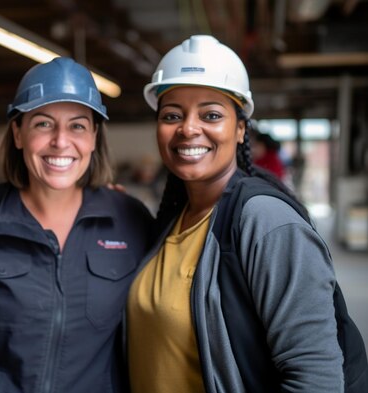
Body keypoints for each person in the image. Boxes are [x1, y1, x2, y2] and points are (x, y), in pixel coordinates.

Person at [127, 35, 345, 392]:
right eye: (171, 115)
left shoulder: (266, 222)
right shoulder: (173, 216)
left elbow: (316, 376)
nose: (188, 128)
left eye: (211, 114)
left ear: (240, 128)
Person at [0, 57, 154, 393]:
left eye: (77, 125)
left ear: (94, 137)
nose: (61, 142)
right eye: (43, 124)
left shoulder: (131, 220)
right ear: (18, 134)